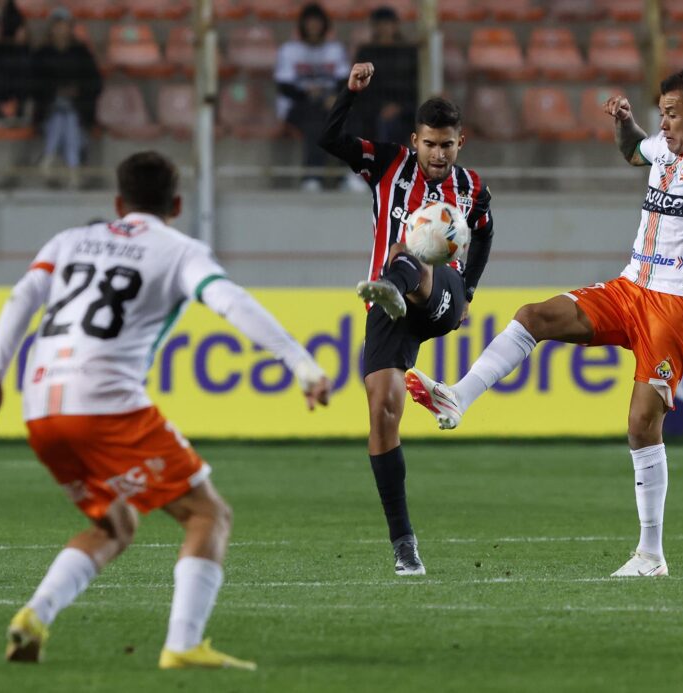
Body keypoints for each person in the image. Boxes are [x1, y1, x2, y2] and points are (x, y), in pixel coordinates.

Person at [0, 151, 331, 668]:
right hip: (104, 403)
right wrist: (301, 364)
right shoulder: (180, 251)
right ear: (178, 204)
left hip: (41, 405)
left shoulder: (67, 241)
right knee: (208, 514)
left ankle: (34, 616)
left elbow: (22, 296)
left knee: (114, 526)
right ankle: (183, 645)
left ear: (118, 203)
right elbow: (230, 302)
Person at [405, 69, 683, 578]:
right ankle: (460, 396)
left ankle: (651, 554)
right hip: (630, 288)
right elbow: (633, 152)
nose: (665, 121)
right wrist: (625, 124)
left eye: (673, 113)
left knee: (640, 425)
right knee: (533, 316)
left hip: (674, 305)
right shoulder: (663, 149)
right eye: (662, 111)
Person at [319, 62, 494, 576]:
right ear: (415, 140)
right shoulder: (387, 164)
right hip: (387, 307)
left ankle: (397, 284)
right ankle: (404, 545)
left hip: (438, 293)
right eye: (430, 145)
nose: (439, 155)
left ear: (460, 142)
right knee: (382, 410)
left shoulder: (472, 187)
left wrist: (469, 295)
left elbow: (483, 233)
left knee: (414, 245)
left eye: (448, 146)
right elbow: (330, 139)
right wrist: (349, 94)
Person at [275, 2, 349, 191]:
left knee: (344, 119)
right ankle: (313, 176)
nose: (313, 27)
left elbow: (344, 82)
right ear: (302, 26)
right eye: (310, 23)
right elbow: (284, 87)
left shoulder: (336, 50)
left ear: (324, 25)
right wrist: (309, 95)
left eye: (317, 23)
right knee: (316, 123)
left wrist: (332, 97)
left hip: (329, 104)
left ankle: (347, 175)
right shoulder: (289, 50)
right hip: (298, 106)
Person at [30, 7, 102, 188]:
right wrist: (55, 91)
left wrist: (76, 91)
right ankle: (73, 167)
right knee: (63, 116)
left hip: (79, 110)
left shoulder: (81, 53)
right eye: (57, 26)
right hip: (48, 110)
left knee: (68, 116)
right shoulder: (42, 54)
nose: (61, 30)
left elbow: (95, 83)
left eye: (64, 26)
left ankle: (49, 156)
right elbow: (33, 84)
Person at [349, 6, 417, 145]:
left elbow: (414, 84)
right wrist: (380, 107)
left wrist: (399, 107)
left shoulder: (408, 52)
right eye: (379, 24)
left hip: (406, 108)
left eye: (388, 23)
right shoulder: (366, 52)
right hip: (372, 109)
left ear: (395, 26)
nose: (384, 28)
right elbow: (362, 87)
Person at [0, 0, 29, 121]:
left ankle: (19, 108)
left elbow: (23, 40)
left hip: (12, 57)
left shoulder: (15, 14)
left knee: (22, 63)